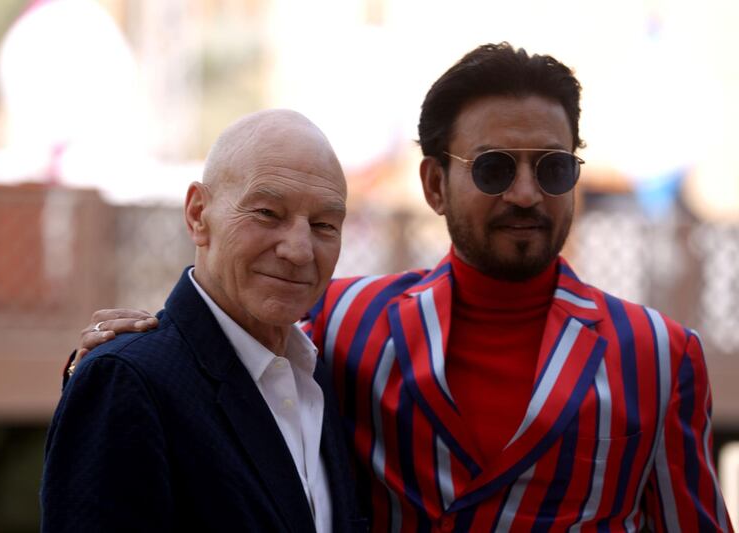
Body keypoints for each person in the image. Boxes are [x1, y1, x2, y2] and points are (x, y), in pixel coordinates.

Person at [72, 44, 732, 531]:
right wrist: (124, 353)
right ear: (434, 185)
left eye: (554, 167)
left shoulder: (658, 354)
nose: (528, 193)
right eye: (497, 167)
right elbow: (230, 339)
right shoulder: (346, 323)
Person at [40, 109, 367, 532]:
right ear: (198, 214)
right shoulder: (129, 381)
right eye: (268, 213)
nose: (300, 250)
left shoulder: (319, 378)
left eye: (324, 225)